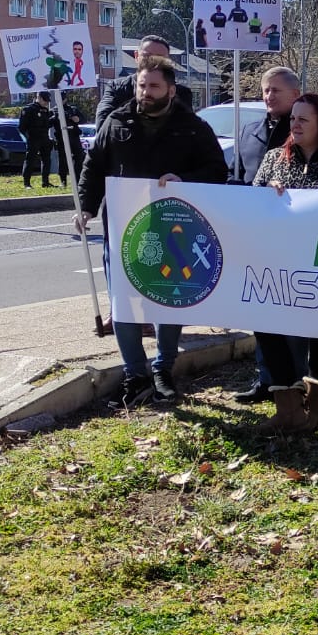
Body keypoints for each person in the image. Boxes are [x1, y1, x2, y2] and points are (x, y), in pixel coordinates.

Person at [76, 59, 227, 408]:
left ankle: (163, 369)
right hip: (124, 228)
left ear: (171, 90)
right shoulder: (116, 122)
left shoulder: (192, 127)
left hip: (173, 229)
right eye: (141, 86)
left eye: (153, 87)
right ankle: (135, 374)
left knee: (168, 300)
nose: (145, 93)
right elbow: (94, 166)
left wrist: (184, 181)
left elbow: (217, 170)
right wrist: (85, 206)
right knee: (124, 304)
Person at [251, 93, 318, 432]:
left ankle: (314, 405)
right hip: (276, 262)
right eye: (293, 118)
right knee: (266, 326)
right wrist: (266, 189)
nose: (295, 124)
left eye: (303, 119)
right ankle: (287, 407)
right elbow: (251, 199)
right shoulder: (273, 159)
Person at [230, 66, 306, 403]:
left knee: (294, 314)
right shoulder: (249, 131)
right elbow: (238, 175)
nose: (268, 96)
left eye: (276, 90)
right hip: (255, 232)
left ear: (295, 94)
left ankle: (299, 379)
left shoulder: (303, 129)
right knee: (260, 308)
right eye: (265, 90)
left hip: (292, 235)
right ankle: (268, 379)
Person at [96, 35, 194, 125]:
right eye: (147, 56)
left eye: (160, 58)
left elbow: (189, 128)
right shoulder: (117, 88)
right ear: (136, 56)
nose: (153, 62)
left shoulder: (181, 93)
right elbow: (103, 124)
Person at [18, 93, 55, 189]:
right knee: (30, 160)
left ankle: (45, 182)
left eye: (47, 101)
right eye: (45, 100)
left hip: (44, 137)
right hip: (33, 138)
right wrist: (28, 138)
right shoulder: (28, 109)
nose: (46, 103)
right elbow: (22, 127)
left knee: (46, 160)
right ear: (38, 98)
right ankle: (27, 183)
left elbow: (46, 124)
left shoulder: (45, 110)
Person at [57, 103, 86, 186]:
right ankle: (63, 181)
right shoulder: (55, 110)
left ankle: (78, 179)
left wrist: (78, 119)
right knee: (63, 160)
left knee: (78, 158)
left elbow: (83, 119)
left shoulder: (73, 109)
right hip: (62, 138)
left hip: (74, 137)